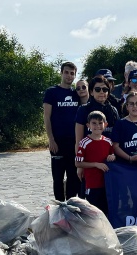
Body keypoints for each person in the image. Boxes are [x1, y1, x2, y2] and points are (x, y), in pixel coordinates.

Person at [43, 61, 82, 201]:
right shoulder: (52, 92)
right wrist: (51, 139)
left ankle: (70, 207)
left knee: (73, 177)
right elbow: (47, 117)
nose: (69, 76)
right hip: (57, 142)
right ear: (61, 73)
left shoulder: (77, 94)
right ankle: (59, 207)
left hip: (73, 142)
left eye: (72, 73)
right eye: (66, 72)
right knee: (58, 178)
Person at [75, 111, 116, 214]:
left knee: (105, 211)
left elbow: (113, 156)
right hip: (92, 184)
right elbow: (78, 163)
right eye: (94, 123)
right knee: (92, 212)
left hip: (106, 184)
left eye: (100, 123)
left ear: (105, 124)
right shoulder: (84, 142)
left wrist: (112, 156)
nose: (97, 126)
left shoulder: (108, 141)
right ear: (88, 125)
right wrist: (95, 164)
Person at [75, 76, 120, 149]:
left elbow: (117, 138)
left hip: (109, 155)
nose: (102, 92)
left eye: (105, 89)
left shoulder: (113, 110)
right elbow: (79, 141)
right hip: (89, 154)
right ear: (91, 92)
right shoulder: (83, 109)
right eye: (98, 89)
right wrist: (79, 159)